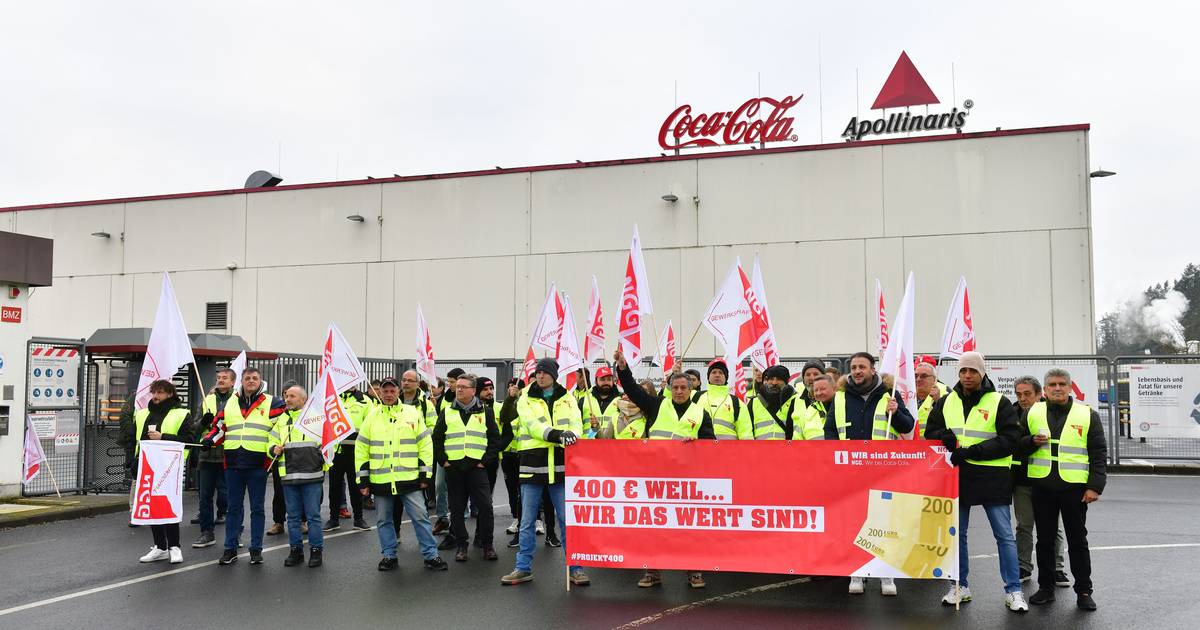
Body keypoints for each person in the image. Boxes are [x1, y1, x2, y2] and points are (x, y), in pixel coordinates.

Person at [923, 352, 1027, 612]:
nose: (967, 376)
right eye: (963, 371)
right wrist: (943, 436)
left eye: (972, 371)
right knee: (957, 536)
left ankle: (1014, 590)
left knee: (1004, 537)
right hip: (958, 476)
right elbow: (930, 432)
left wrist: (972, 451)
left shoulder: (999, 402)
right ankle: (959, 586)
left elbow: (1010, 439)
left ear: (982, 373)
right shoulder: (947, 401)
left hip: (993, 478)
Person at [615, 348, 715, 589]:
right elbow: (632, 390)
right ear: (669, 388)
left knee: (690, 527)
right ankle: (653, 571)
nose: (679, 391)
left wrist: (697, 445)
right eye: (675, 387)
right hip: (656, 477)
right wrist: (622, 367)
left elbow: (712, 445)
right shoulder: (656, 404)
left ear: (691, 390)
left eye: (684, 388)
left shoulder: (700, 412)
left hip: (688, 479)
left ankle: (694, 571)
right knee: (654, 526)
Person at [826, 352, 914, 596]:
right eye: (853, 367)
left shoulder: (890, 393)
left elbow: (908, 427)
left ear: (872, 369)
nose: (857, 371)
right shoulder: (841, 397)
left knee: (885, 523)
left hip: (883, 472)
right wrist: (837, 460)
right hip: (850, 471)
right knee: (854, 522)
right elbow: (830, 430)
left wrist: (896, 412)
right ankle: (858, 573)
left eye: (862, 367)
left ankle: (886, 574)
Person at [1020, 368, 1106, 611]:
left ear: (1070, 388)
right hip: (1042, 487)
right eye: (1052, 385)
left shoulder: (1087, 414)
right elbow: (1016, 443)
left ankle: (1084, 591)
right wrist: (1030, 442)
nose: (1057, 388)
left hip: (1074, 489)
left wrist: (1095, 486)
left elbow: (1098, 453)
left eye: (1061, 384)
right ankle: (1046, 588)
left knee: (1078, 541)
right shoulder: (1032, 412)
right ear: (1045, 390)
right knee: (1044, 541)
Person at [500, 358, 587, 586]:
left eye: (545, 372)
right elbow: (531, 425)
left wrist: (573, 435)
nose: (540, 376)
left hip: (560, 467)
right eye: (538, 372)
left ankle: (575, 568)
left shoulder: (568, 398)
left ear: (554, 375)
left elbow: (577, 424)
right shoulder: (525, 397)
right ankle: (522, 567)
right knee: (527, 521)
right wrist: (558, 435)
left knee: (567, 520)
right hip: (532, 466)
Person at [356, 376, 448, 572]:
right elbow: (362, 448)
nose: (388, 394)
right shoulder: (372, 416)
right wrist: (362, 480)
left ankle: (431, 555)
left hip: (409, 478)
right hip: (381, 480)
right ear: (379, 392)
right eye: (384, 391)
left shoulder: (412, 413)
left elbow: (425, 445)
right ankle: (389, 556)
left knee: (421, 517)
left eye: (392, 391)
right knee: (383, 520)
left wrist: (425, 476)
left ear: (398, 391)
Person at [202, 367, 286, 566]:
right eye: (247, 378)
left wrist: (275, 447)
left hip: (259, 464)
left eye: (254, 378)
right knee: (233, 508)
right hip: (232, 463)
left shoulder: (273, 402)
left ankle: (256, 550)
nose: (251, 381)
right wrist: (209, 439)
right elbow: (219, 427)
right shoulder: (230, 402)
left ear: (260, 381)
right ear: (242, 380)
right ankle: (230, 548)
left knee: (257, 509)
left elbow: (282, 427)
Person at [433, 373, 501, 561]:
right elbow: (437, 439)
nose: (459, 389)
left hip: (477, 468)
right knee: (456, 508)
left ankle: (487, 545)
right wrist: (444, 461)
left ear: (473, 390)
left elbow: (494, 440)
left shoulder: (485, 412)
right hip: (454, 468)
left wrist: (484, 461)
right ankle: (461, 545)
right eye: (458, 386)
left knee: (485, 507)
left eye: (464, 387)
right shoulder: (447, 411)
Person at [129, 380, 195, 564]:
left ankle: (174, 547)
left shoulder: (181, 414)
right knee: (151, 507)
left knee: (168, 506)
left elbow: (189, 440)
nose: (156, 396)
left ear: (170, 394)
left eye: (160, 392)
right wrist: (132, 461)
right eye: (154, 392)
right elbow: (134, 440)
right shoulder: (142, 414)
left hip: (168, 468)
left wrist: (163, 437)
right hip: (146, 466)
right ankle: (160, 547)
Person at [1011, 376, 1067, 586]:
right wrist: (1030, 442)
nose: (1023, 398)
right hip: (1023, 480)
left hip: (1047, 480)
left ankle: (1057, 569)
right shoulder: (1012, 414)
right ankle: (1023, 566)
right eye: (1019, 394)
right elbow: (1012, 443)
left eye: (1027, 394)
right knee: (1024, 525)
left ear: (1039, 395)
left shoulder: (1051, 413)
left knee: (1053, 527)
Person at [268, 385, 326, 568]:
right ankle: (296, 551)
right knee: (292, 517)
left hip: (312, 474)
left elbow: (330, 443)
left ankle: (316, 552)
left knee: (313, 516)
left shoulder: (316, 418)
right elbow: (270, 442)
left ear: (303, 399)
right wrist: (273, 449)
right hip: (289, 475)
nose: (288, 399)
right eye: (286, 395)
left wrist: (321, 459)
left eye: (292, 396)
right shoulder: (281, 420)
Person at [192, 369, 232, 548]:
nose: (221, 380)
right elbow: (195, 427)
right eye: (218, 378)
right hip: (207, 453)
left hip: (229, 452)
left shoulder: (237, 400)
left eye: (225, 378)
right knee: (204, 496)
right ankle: (206, 532)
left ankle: (234, 532)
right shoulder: (207, 399)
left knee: (230, 494)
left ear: (232, 382)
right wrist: (203, 422)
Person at [324, 386, 370, 532]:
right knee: (334, 488)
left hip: (356, 452)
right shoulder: (332, 399)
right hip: (336, 452)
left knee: (355, 487)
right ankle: (333, 519)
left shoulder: (365, 401)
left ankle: (358, 519)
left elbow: (369, 427)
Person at [750, 364, 823, 440]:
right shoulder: (754, 402)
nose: (774, 382)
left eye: (779, 379)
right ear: (766, 380)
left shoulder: (796, 401)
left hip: (788, 450)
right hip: (760, 450)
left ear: (786, 382)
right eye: (771, 379)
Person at [696, 359, 751, 440]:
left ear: (726, 377)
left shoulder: (736, 402)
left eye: (721, 373)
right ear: (708, 376)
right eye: (714, 372)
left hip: (728, 450)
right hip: (701, 449)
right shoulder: (696, 397)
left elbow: (746, 432)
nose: (717, 375)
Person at [578, 366, 621, 439]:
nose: (606, 382)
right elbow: (577, 424)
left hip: (612, 447)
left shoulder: (620, 401)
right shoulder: (584, 400)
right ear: (595, 381)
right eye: (602, 379)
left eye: (609, 379)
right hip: (587, 446)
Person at [914, 355, 949, 433]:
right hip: (907, 444)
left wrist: (938, 402)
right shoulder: (905, 391)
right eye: (915, 375)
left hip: (934, 444)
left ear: (934, 378)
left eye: (924, 376)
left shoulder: (946, 392)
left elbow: (951, 421)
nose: (918, 379)